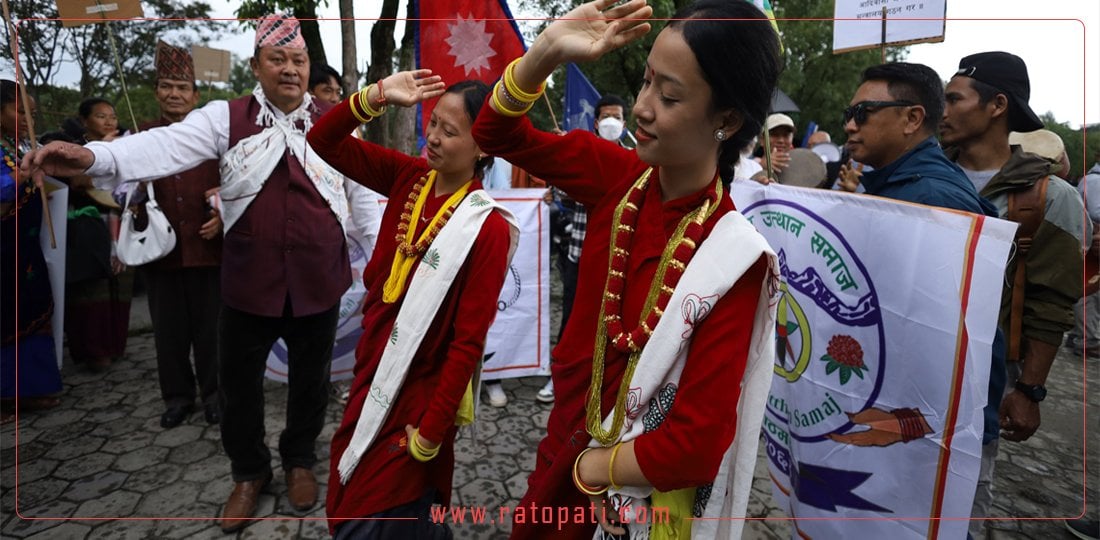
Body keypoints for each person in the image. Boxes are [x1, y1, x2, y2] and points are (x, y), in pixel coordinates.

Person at [23, 14, 351, 532]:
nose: (290, 70)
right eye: (278, 59)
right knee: (238, 387)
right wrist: (92, 155)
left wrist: (382, 264)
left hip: (319, 279)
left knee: (310, 384)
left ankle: (299, 461)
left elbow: (365, 197)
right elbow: (162, 147)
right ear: (256, 66)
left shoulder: (337, 119)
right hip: (247, 283)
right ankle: (248, 472)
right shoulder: (225, 117)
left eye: (299, 60)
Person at [472, 0, 782, 537]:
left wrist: (595, 468)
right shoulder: (617, 176)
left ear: (726, 120)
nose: (641, 108)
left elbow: (697, 443)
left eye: (668, 96)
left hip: (627, 496)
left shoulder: (733, 259)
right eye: (645, 83)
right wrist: (545, 51)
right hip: (559, 454)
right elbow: (497, 136)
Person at [308, 75, 517, 538]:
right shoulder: (408, 177)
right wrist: (376, 96)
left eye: (450, 131)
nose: (434, 138)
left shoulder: (487, 228)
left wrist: (431, 432)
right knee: (354, 491)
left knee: (379, 511)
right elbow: (322, 139)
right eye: (433, 123)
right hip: (372, 369)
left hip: (420, 396)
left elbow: (468, 340)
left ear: (483, 146)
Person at [939, 50, 1090, 539]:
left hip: (986, 378)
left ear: (996, 105)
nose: (941, 110)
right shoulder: (924, 177)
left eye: (953, 98)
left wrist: (1029, 391)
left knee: (959, 502)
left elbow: (1052, 303)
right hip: (913, 361)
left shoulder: (1052, 197)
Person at [136, 41, 224, 429]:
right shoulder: (139, 139)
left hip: (210, 249)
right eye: (167, 86)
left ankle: (216, 395)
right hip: (160, 251)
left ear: (196, 94)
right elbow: (119, 189)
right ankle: (177, 397)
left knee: (213, 330)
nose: (174, 94)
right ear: (156, 91)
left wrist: (223, 213)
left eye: (182, 87)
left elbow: (236, 184)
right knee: (168, 332)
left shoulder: (215, 138)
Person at [539, 93, 631, 405]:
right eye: (605, 117)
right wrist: (566, 157)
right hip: (579, 253)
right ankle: (560, 380)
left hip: (619, 258)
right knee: (572, 320)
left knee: (615, 323)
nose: (610, 122)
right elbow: (562, 191)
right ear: (595, 123)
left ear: (624, 122)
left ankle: (607, 386)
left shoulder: (635, 160)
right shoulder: (583, 155)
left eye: (616, 117)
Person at [1, 80, 62, 424]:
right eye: (19, 110)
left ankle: (31, 388)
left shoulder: (19, 145)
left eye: (31, 113)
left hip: (24, 246)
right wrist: (23, 175)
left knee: (32, 307)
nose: (27, 118)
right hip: (4, 248)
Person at [66, 97, 133, 373]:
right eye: (100, 116)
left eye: (112, 116)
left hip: (122, 223)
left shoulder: (128, 146)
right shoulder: (75, 151)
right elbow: (79, 182)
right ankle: (93, 351)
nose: (109, 121)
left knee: (121, 287)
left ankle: (116, 344)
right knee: (93, 291)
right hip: (89, 228)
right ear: (84, 121)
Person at [755, 112, 794, 177]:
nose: (781, 140)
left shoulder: (801, 168)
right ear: (762, 140)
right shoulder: (747, 167)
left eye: (786, 135)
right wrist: (760, 167)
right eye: (774, 134)